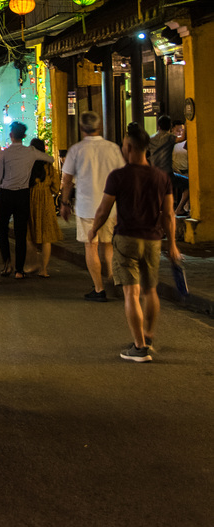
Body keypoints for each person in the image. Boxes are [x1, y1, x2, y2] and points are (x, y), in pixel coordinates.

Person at [89, 122, 181, 362]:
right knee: (151, 290)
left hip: (127, 238)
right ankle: (148, 335)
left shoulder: (119, 176)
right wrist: (172, 244)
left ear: (129, 147)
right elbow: (169, 214)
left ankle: (139, 347)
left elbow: (103, 210)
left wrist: (93, 230)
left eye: (123, 144)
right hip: (152, 240)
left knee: (131, 293)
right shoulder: (161, 177)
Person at [60, 110, 125, 301]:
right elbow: (122, 176)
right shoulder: (113, 148)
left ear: (82, 128)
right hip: (110, 206)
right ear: (100, 127)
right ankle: (114, 281)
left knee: (91, 246)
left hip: (87, 206)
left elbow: (67, 179)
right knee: (108, 245)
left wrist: (64, 203)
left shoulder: (76, 150)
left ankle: (99, 288)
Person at [0, 121, 53, 279]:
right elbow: (51, 159)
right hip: (23, 194)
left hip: (6, 194)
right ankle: (19, 270)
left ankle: (7, 265)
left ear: (11, 135)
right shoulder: (31, 151)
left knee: (3, 230)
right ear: (24, 136)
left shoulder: (4, 154)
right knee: (20, 232)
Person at [26, 138, 62, 277]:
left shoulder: (28, 165)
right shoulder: (49, 167)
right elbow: (56, 187)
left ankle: (32, 264)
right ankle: (44, 269)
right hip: (46, 201)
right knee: (46, 237)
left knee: (30, 235)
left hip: (30, 200)